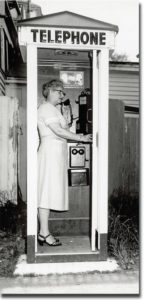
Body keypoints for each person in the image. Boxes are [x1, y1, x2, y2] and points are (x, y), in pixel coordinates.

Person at [37, 79, 92, 246]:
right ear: (50, 91)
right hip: (50, 153)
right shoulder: (46, 108)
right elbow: (59, 131)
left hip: (56, 153)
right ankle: (44, 233)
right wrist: (82, 138)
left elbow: (64, 131)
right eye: (60, 91)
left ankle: (43, 232)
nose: (62, 95)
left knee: (47, 192)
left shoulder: (55, 110)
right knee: (45, 192)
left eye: (62, 92)